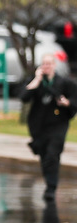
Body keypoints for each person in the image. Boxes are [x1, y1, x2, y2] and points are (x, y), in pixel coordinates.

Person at [21, 53, 77, 201]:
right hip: (39, 126)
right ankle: (49, 182)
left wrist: (67, 103)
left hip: (58, 124)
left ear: (54, 65)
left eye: (49, 63)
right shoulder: (36, 81)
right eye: (44, 64)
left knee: (53, 154)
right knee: (44, 155)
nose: (46, 66)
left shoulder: (64, 82)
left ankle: (51, 188)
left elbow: (74, 99)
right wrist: (37, 79)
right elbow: (24, 96)